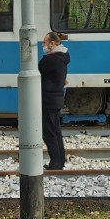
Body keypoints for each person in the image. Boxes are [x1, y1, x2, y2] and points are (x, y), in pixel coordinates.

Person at [39, 31, 69, 171]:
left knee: (49, 132)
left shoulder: (50, 60)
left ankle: (55, 164)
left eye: (45, 42)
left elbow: (39, 69)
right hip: (56, 98)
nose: (43, 45)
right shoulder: (62, 57)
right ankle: (60, 161)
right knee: (56, 131)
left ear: (52, 43)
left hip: (48, 99)